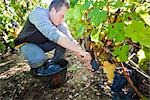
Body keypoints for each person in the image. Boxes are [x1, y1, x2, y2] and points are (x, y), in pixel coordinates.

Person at [15, 0, 92, 75]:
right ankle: (38, 69)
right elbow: (53, 34)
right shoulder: (38, 14)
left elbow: (70, 40)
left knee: (65, 42)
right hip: (27, 44)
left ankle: (56, 63)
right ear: (53, 10)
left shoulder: (60, 23)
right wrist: (78, 50)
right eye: (62, 16)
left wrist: (83, 56)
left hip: (43, 44)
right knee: (38, 59)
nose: (62, 21)